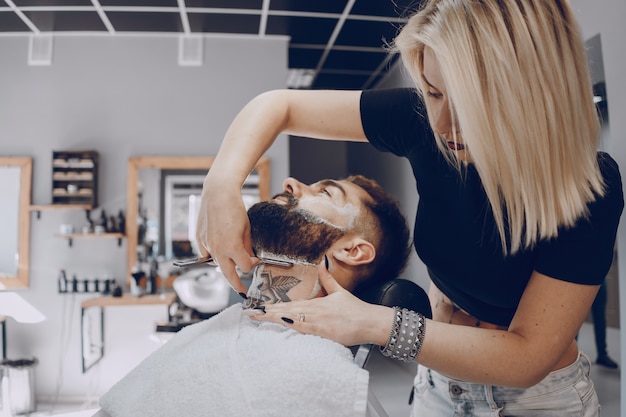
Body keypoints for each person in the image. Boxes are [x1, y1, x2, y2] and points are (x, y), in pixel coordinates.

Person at [195, 0, 624, 415]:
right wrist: (220, 186)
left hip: (535, 402)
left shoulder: (590, 187)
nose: (440, 125)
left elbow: (528, 357)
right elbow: (277, 105)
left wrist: (375, 323)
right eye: (433, 93)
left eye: (467, 102)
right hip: (437, 382)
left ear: (530, 90)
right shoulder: (424, 125)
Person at [96, 175, 412, 417]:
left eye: (325, 192)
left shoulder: (324, 378)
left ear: (352, 251)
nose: (291, 183)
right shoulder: (217, 329)